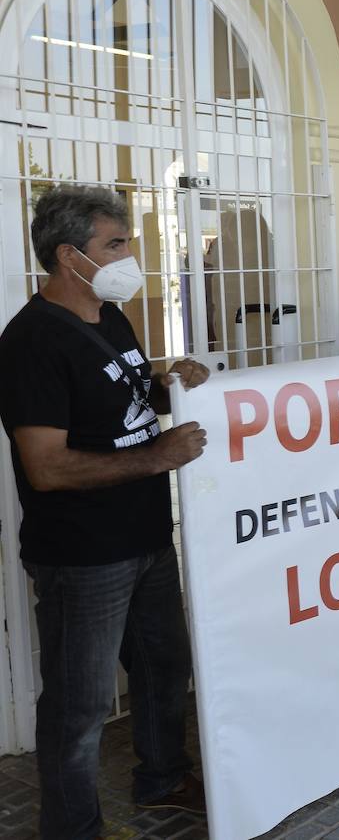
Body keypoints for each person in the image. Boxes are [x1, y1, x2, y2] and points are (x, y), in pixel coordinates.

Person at [0, 186, 212, 838]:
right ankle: (71, 827)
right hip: (84, 555)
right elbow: (47, 463)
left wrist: (168, 381)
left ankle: (162, 776)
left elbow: (119, 394)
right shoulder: (32, 341)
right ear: (70, 255)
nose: (129, 254)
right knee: (79, 705)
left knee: (162, 664)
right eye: (114, 244)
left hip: (146, 534)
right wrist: (156, 459)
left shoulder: (108, 315)